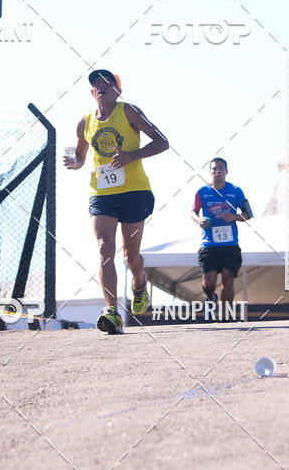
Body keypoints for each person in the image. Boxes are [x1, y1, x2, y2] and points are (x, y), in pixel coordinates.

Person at [64, 70, 169, 334]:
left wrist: (132, 156)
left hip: (134, 192)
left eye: (108, 82)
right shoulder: (84, 123)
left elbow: (162, 142)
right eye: (96, 84)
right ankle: (112, 312)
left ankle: (138, 283)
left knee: (130, 255)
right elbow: (80, 156)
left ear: (118, 90)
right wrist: (74, 163)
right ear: (92, 93)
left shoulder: (129, 111)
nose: (101, 86)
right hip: (102, 194)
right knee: (104, 249)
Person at [191, 158, 252, 310]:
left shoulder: (236, 191)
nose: (217, 171)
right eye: (214, 169)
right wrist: (199, 221)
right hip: (209, 245)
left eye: (220, 168)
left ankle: (226, 314)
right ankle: (211, 296)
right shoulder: (202, 192)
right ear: (210, 172)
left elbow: (248, 214)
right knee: (209, 283)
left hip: (230, 245)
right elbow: (193, 212)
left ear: (226, 171)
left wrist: (234, 217)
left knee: (228, 280)